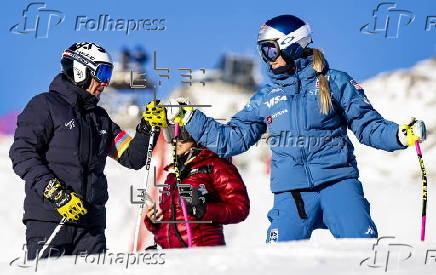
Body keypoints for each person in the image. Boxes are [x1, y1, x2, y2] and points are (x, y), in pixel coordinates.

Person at [144, 15, 427, 242]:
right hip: (292, 195)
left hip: (338, 184)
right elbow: (230, 140)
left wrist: (400, 135)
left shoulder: (334, 82)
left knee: (361, 252)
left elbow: (368, 125)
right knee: (278, 262)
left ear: (291, 45)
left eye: (270, 48)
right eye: (262, 51)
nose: (267, 58)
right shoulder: (266, 98)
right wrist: (190, 116)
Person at [9, 42, 160, 260]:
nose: (105, 83)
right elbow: (22, 154)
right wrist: (56, 194)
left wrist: (146, 128)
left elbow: (132, 157)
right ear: (81, 70)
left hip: (91, 225)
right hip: (51, 219)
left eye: (109, 74)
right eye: (102, 73)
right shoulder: (45, 105)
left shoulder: (100, 118)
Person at [143, 126, 250, 248]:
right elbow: (174, 219)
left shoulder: (214, 165)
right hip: (173, 257)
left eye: (183, 135)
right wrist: (155, 221)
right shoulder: (172, 176)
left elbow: (240, 208)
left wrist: (203, 209)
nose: (176, 140)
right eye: (170, 134)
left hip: (202, 253)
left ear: (196, 135)